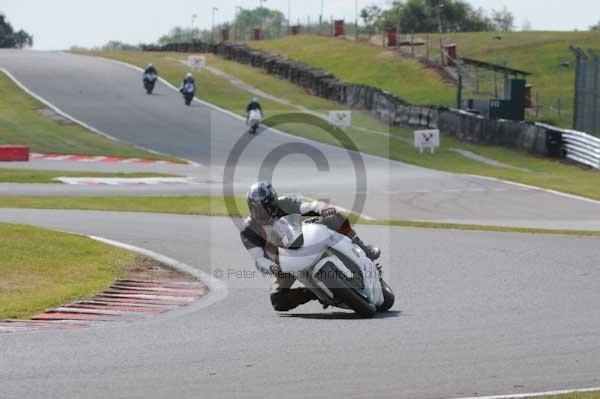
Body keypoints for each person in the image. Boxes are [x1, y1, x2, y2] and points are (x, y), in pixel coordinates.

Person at [240, 181, 381, 312]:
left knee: (336, 217)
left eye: (264, 207)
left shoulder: (285, 203)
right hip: (284, 263)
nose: (260, 212)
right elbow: (258, 259)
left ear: (273, 201)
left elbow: (309, 207)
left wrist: (323, 209)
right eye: (255, 208)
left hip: (304, 238)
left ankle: (362, 248)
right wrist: (272, 268)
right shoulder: (248, 230)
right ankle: (314, 292)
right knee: (278, 300)